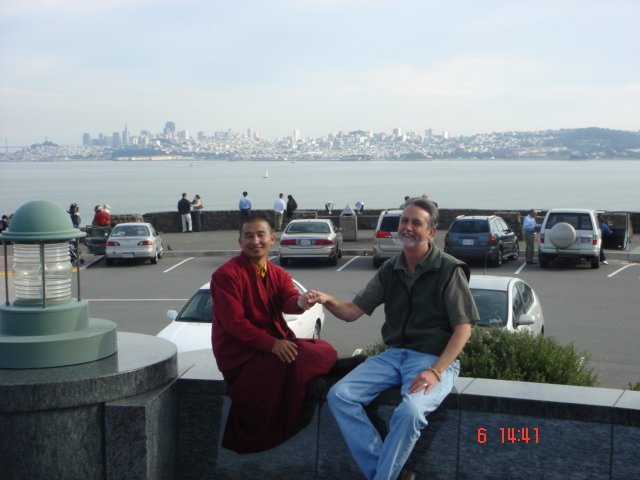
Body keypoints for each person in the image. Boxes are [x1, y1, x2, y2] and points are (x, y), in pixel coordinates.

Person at [307, 198, 479, 480]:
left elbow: (464, 329)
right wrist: (326, 300)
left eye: (416, 223)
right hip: (394, 354)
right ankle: (387, 473)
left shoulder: (449, 270)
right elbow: (352, 312)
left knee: (411, 411)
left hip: (432, 358)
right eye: (404, 221)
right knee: (340, 396)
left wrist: (436, 371)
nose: (407, 227)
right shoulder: (391, 269)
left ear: (431, 232)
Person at [210, 215, 338, 454]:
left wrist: (301, 302)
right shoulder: (225, 275)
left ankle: (316, 372)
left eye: (260, 235)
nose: (254, 241)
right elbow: (234, 323)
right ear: (240, 242)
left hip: (270, 345)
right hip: (241, 355)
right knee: (300, 358)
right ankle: (321, 374)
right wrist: (272, 344)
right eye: (248, 236)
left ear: (271, 239)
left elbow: (288, 300)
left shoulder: (277, 273)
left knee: (324, 349)